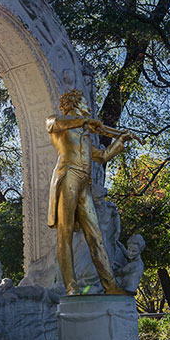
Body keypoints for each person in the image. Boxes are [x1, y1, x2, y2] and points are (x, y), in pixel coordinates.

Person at [46, 89, 137, 295]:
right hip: (67, 176)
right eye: (85, 103)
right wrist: (83, 122)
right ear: (75, 104)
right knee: (65, 233)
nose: (88, 108)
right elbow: (53, 124)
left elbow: (103, 156)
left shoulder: (85, 136)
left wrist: (121, 141)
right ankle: (71, 287)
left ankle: (110, 285)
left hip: (84, 185)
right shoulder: (58, 122)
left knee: (96, 236)